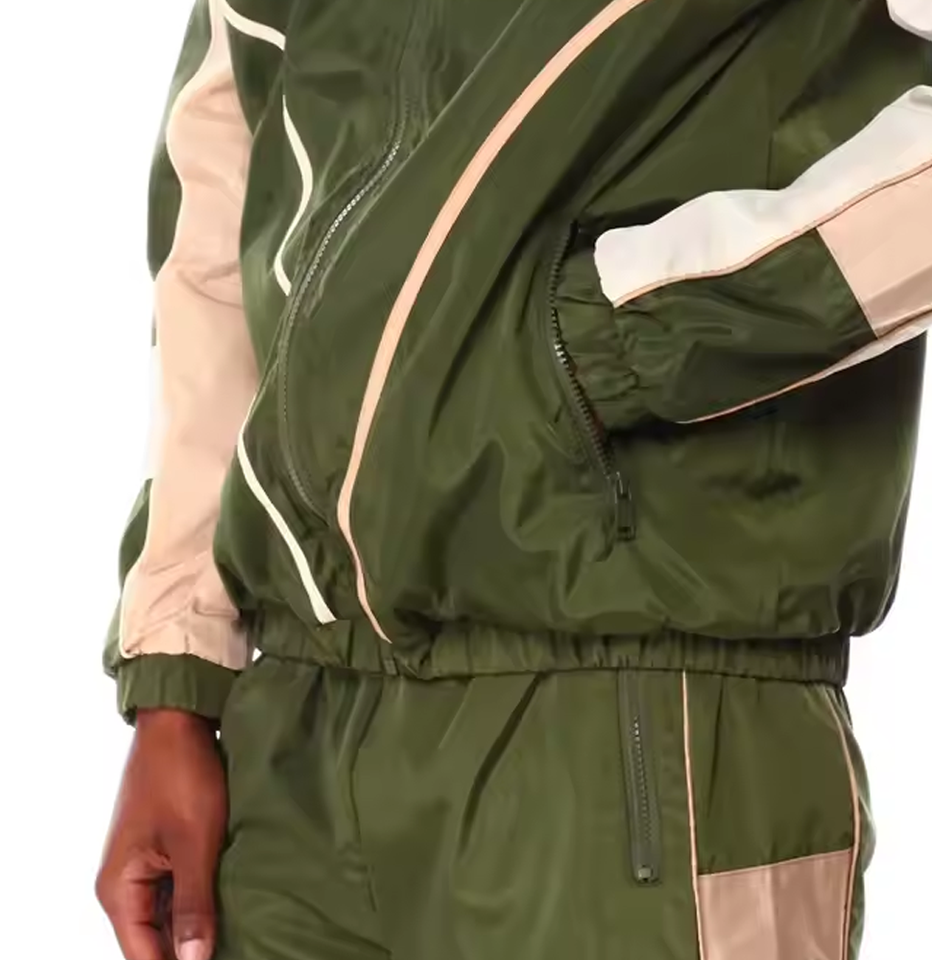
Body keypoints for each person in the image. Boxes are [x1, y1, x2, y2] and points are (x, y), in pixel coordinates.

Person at [95, 1, 932, 958]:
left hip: (639, 706)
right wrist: (178, 681)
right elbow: (223, 185)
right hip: (291, 747)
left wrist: (625, 339)